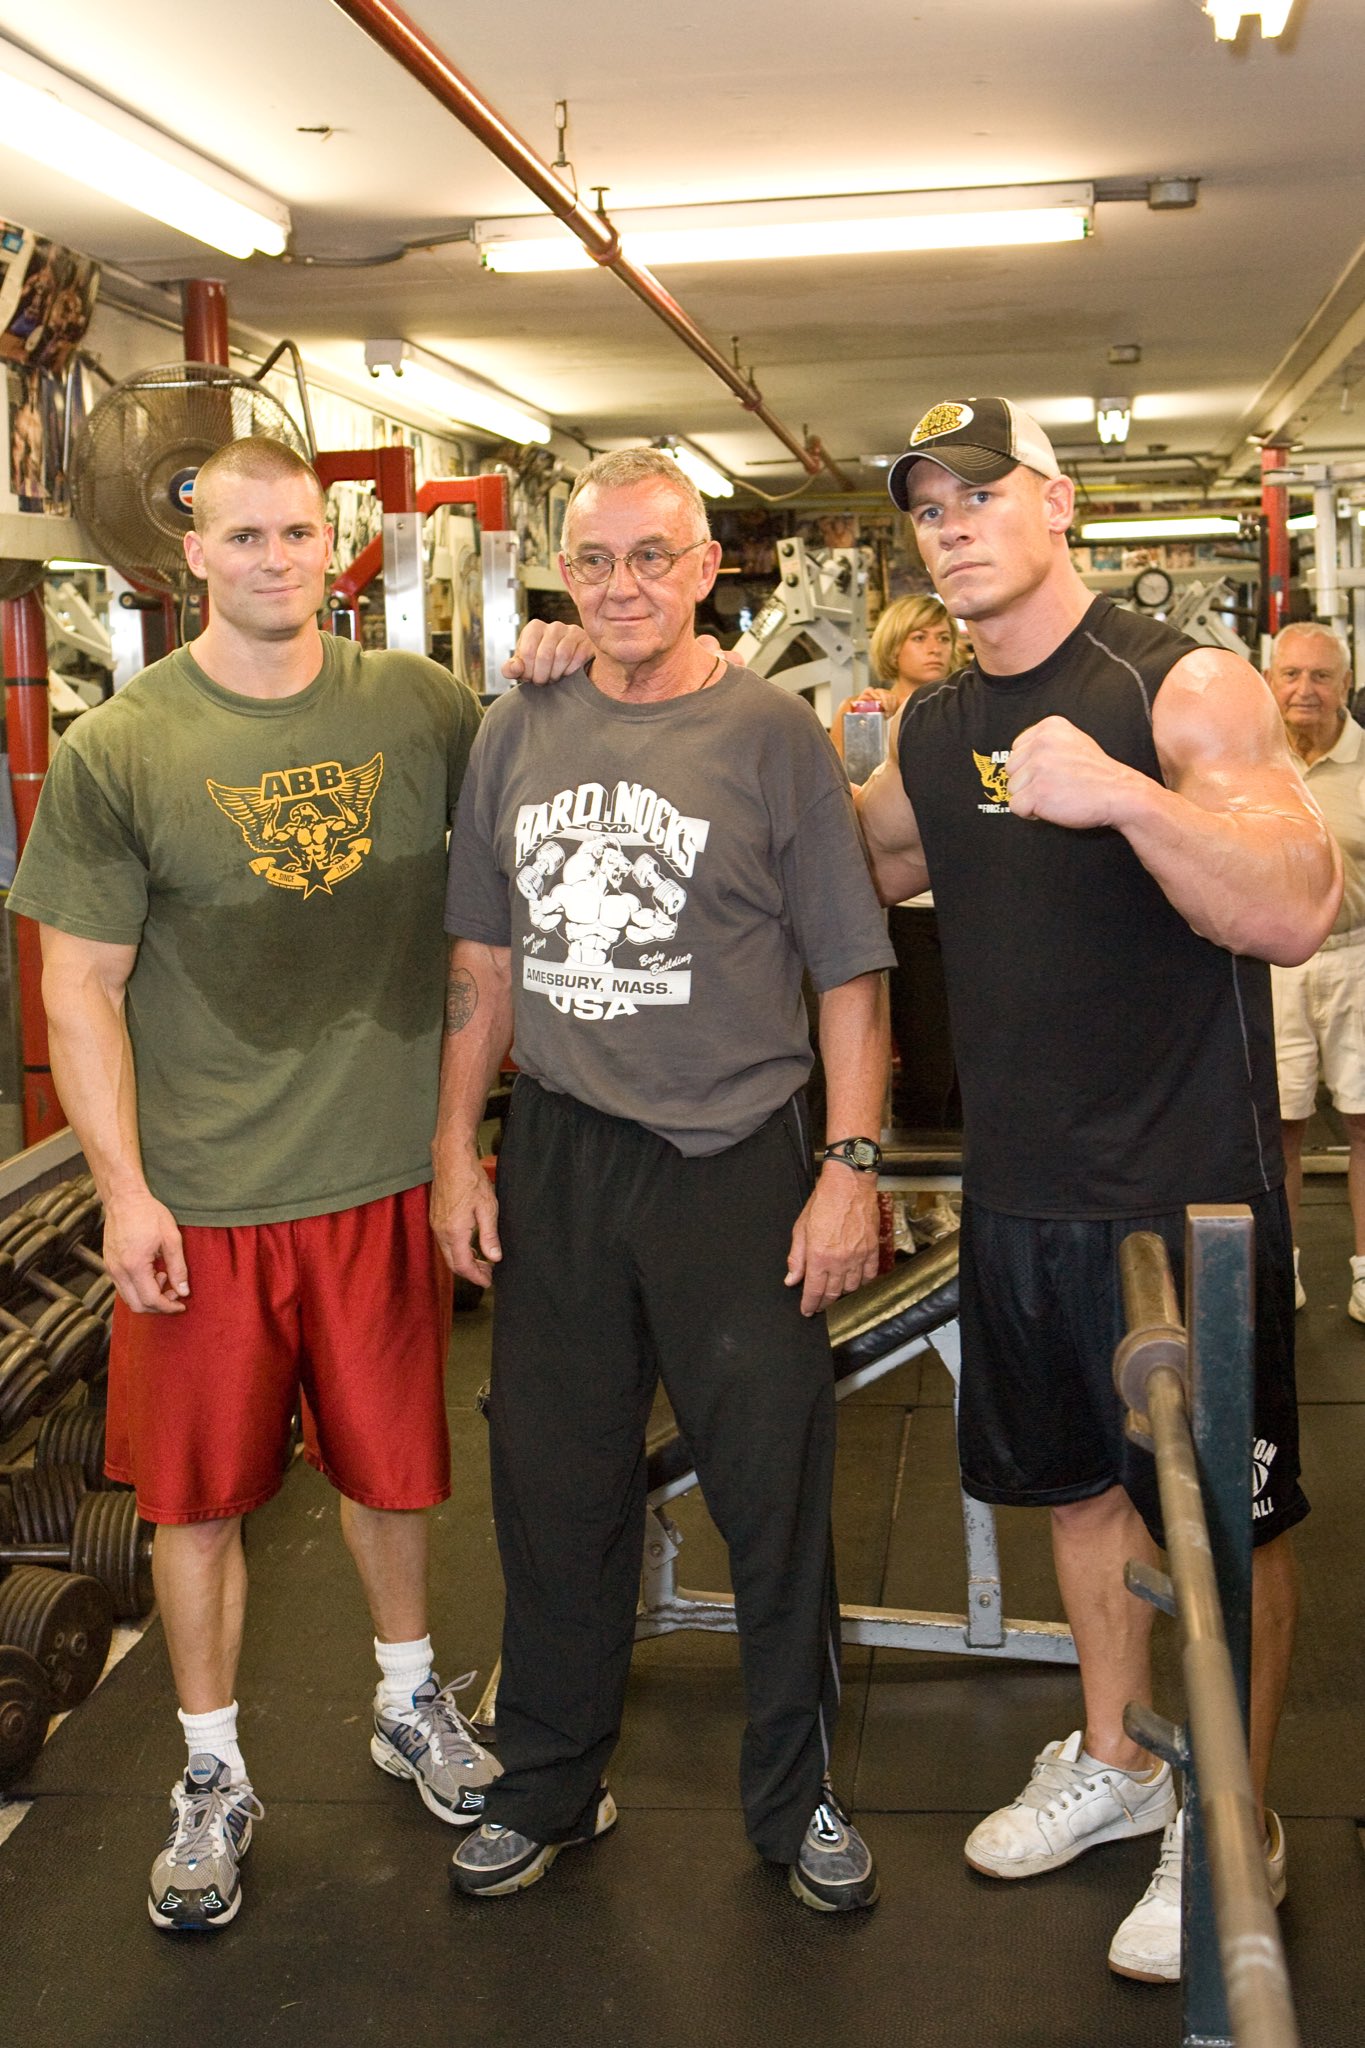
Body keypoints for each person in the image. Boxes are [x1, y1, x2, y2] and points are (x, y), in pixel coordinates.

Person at [853, 397, 1341, 1983]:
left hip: (1183, 1196)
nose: (953, 528)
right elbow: (849, 861)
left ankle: (1231, 1811)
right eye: (929, 509)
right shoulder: (936, 728)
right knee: (1074, 1489)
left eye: (982, 495)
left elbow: (1295, 904)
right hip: (1022, 1190)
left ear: (1056, 503)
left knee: (1223, 1523)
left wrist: (1131, 797)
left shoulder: (1174, 684)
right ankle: (1122, 1762)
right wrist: (634, 689)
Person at [7, 436, 500, 1934]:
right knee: (198, 1501)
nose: (276, 558)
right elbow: (78, 986)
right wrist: (124, 1191)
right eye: (245, 536)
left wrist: (559, 662)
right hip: (207, 1196)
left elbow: (501, 887)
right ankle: (211, 1767)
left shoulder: (423, 707)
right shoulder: (122, 747)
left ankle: (408, 1698)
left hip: (374, 1175)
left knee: (394, 1474)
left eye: (297, 532)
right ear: (192, 554)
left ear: (330, 542)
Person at [432, 445, 893, 1912]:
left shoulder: (774, 736)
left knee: (771, 1493)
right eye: (595, 557)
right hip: (564, 1152)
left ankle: (797, 1798)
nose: (621, 584)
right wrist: (455, 1149)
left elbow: (851, 973)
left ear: (705, 569)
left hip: (732, 1161)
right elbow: (483, 961)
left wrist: (850, 1167)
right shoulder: (516, 724)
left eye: (652, 556)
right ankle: (548, 1784)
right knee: (553, 1485)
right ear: (564, 571)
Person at [1263, 622, 1365, 1318]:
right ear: (1269, 681)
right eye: (1291, 674)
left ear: (1345, 685)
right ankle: (1282, 1268)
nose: (1305, 689)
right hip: (1272, 964)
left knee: (1364, 1123)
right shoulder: (1248, 760)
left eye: (1321, 676)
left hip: (1356, 958)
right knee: (1280, 1127)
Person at [829, 592, 960, 766]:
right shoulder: (858, 708)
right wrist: (865, 726)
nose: (935, 649)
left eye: (944, 638)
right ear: (893, 647)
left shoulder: (965, 708)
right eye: (919, 638)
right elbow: (835, 779)